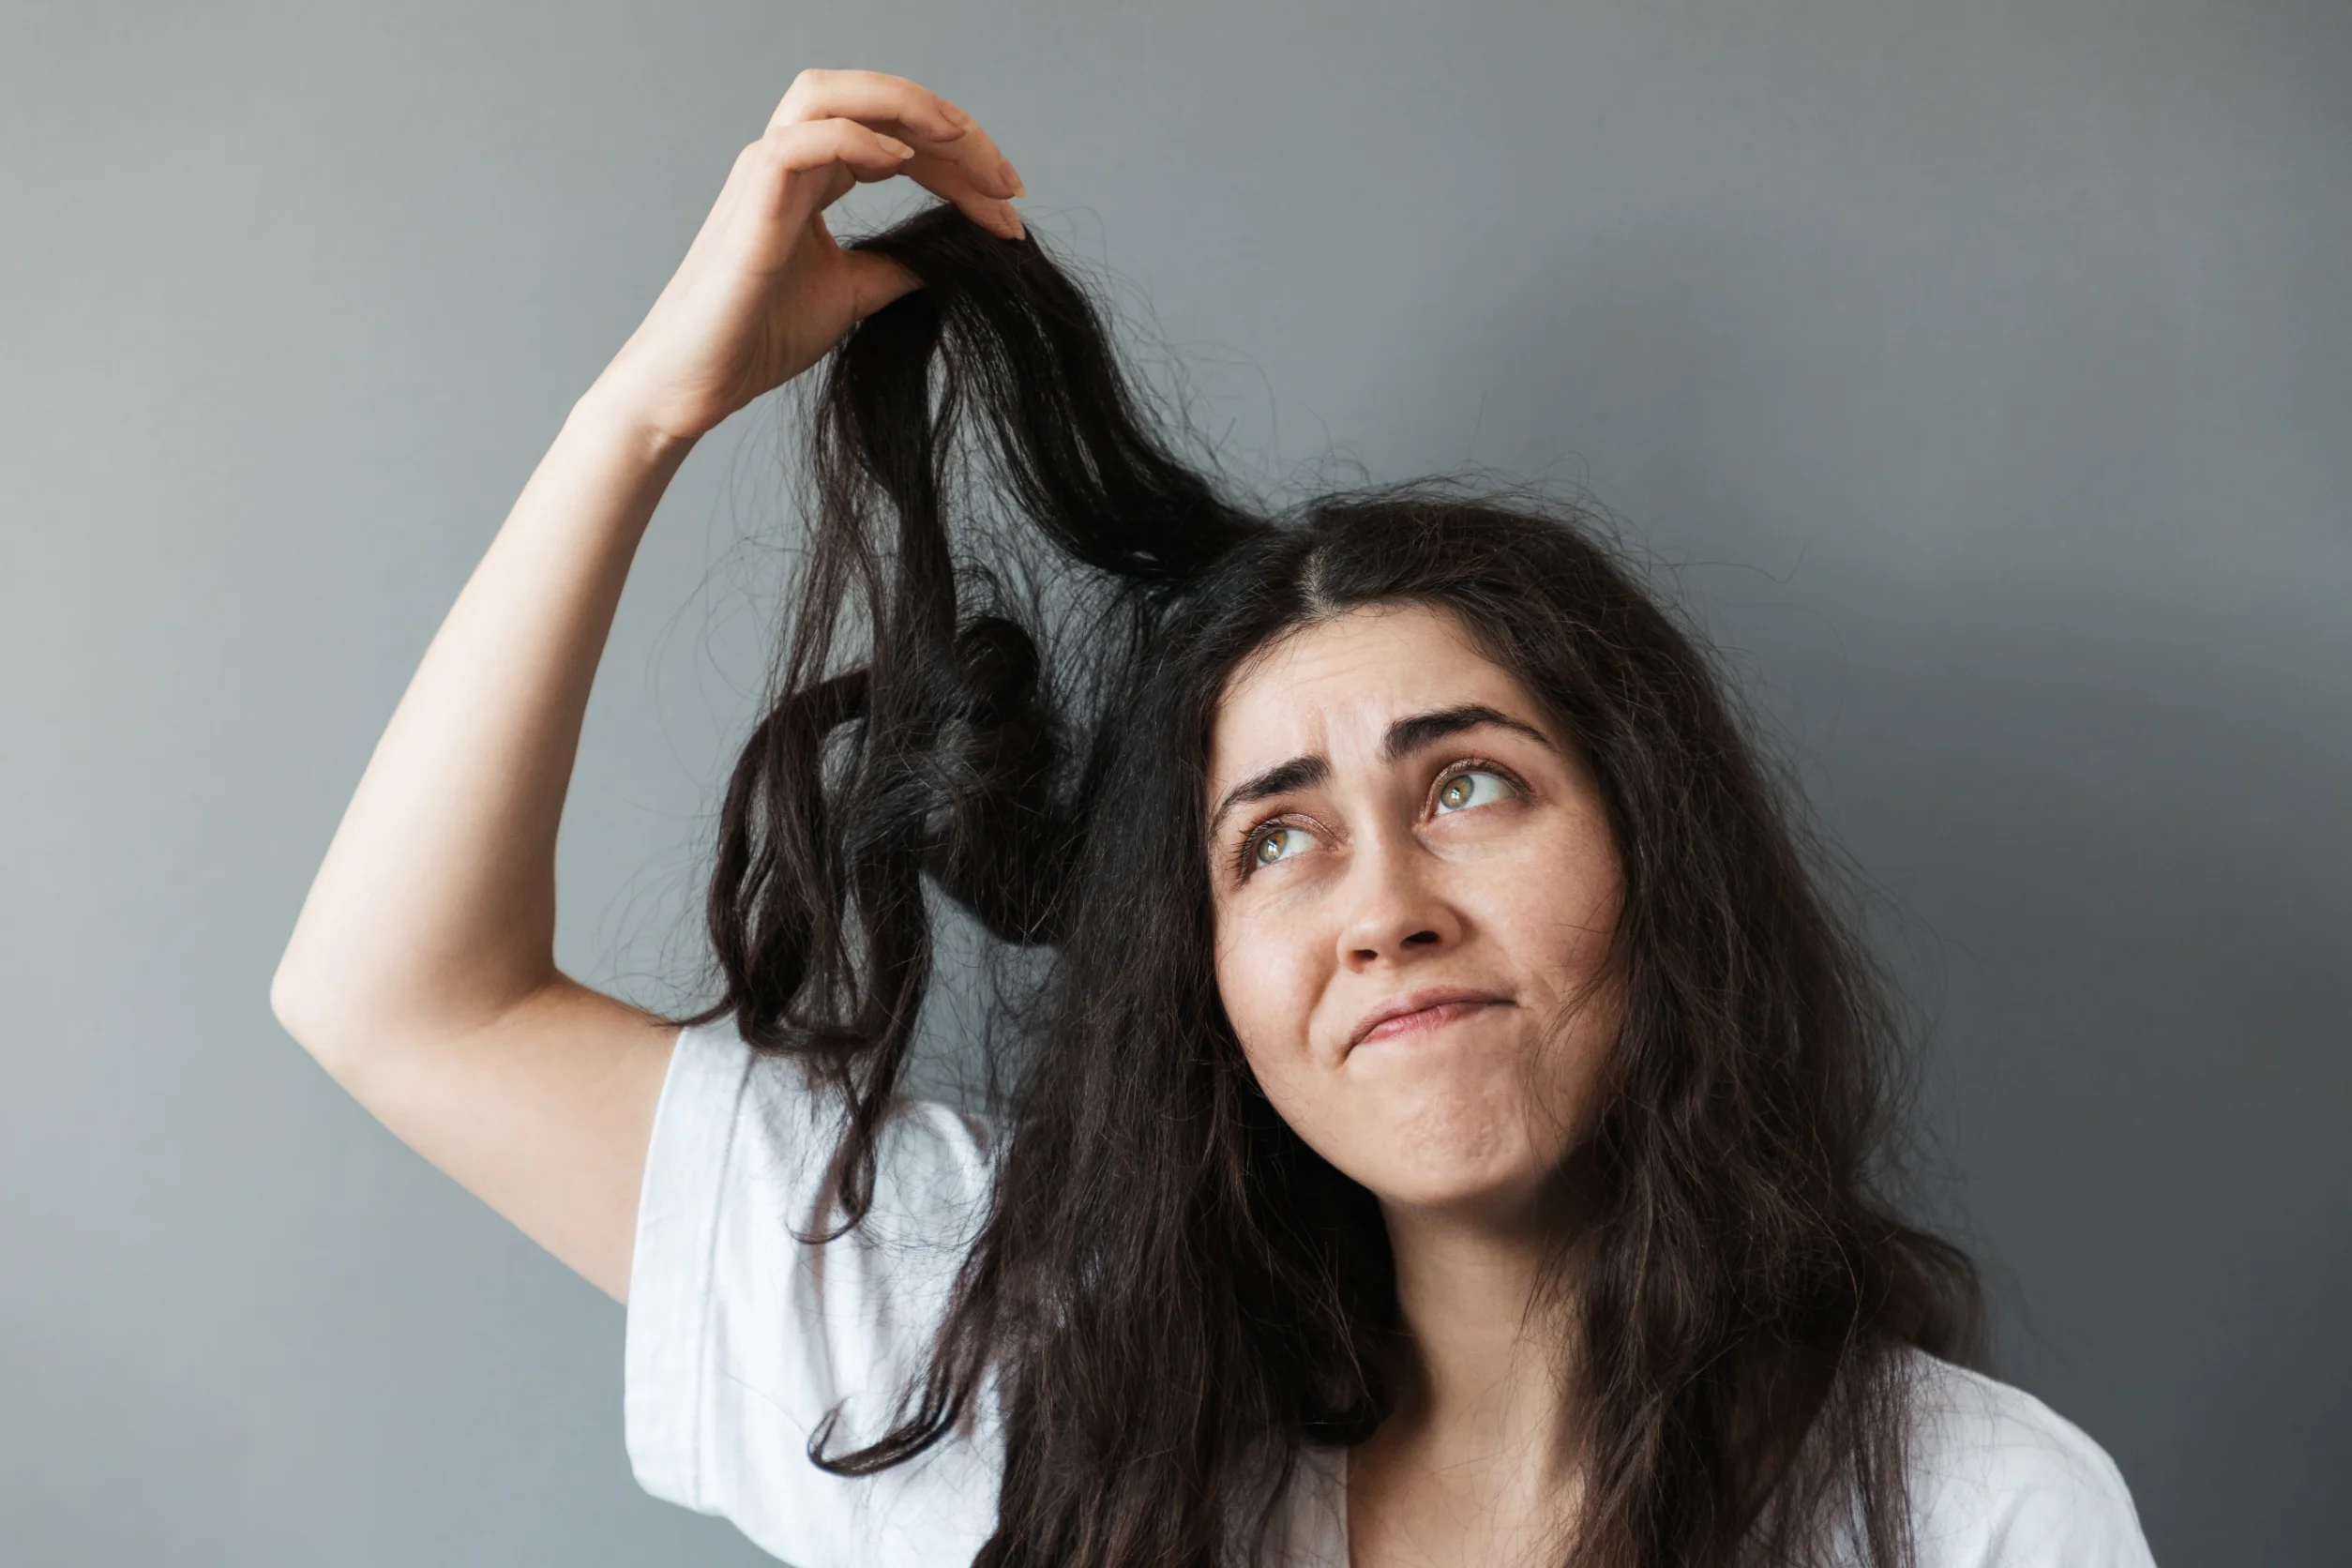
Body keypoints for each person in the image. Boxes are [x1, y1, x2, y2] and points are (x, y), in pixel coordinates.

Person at [271, 68, 2157, 1568]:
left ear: (1664, 867)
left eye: (1470, 783)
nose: (1382, 904)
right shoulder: (1025, 1386)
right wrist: (641, 415)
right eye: (1274, 835)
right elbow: (399, 996)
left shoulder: (1973, 1510)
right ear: (1211, 974)